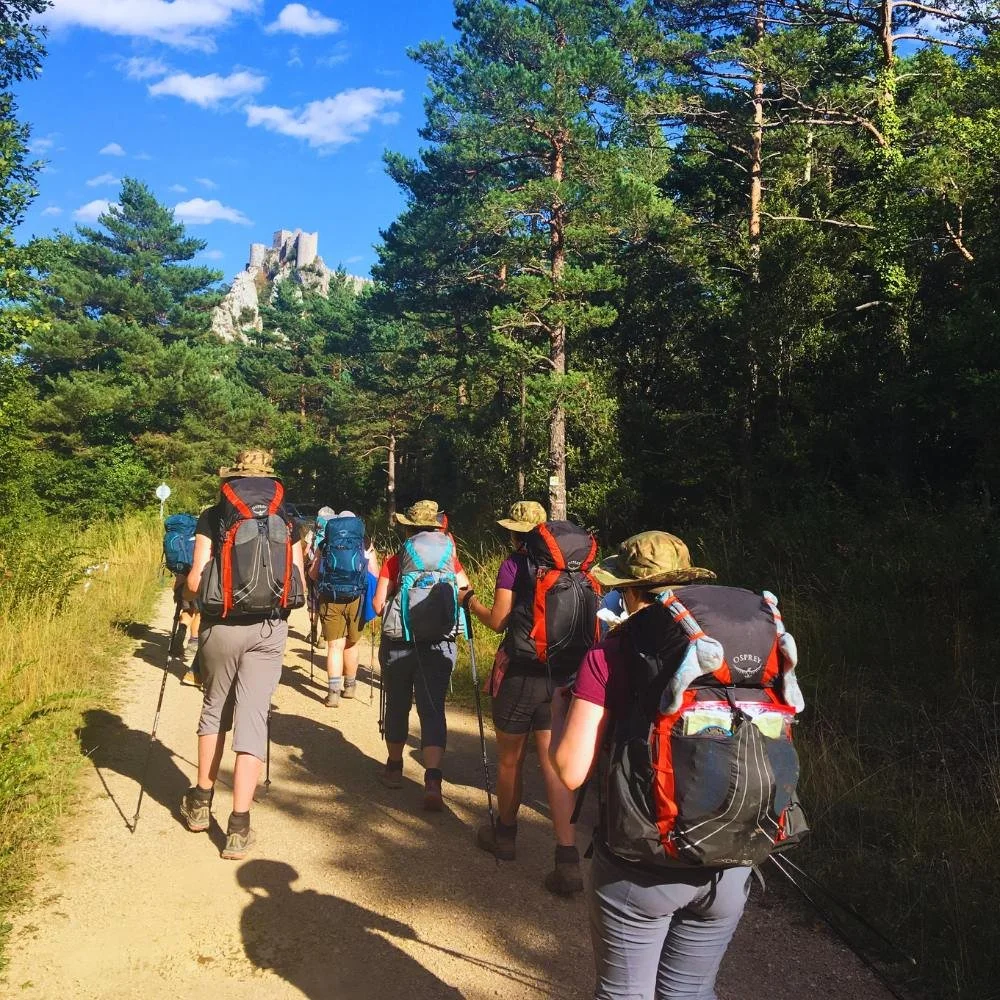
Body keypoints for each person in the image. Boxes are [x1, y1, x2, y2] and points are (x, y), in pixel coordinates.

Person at [551, 530, 794, 1000]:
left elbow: (570, 771)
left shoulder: (607, 655)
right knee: (690, 993)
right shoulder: (740, 655)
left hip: (640, 866)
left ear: (626, 590)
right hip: (730, 861)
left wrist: (562, 710)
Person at [179, 449, 306, 860]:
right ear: (269, 478)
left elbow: (198, 581)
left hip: (222, 626)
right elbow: (297, 580)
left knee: (215, 709)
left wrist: (185, 589)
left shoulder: (214, 515)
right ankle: (238, 827)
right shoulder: (286, 517)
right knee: (254, 716)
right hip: (270, 628)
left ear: (232, 478)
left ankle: (200, 804)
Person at [463, 500, 585, 895]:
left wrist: (469, 603)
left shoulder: (514, 565)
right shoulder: (574, 568)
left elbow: (497, 621)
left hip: (521, 675)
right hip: (563, 677)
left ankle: (505, 835)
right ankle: (567, 859)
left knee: (510, 760)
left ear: (516, 532)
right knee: (554, 766)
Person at [372, 499, 470, 811]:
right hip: (439, 644)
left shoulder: (396, 558)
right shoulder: (450, 558)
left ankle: (394, 767)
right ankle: (432, 780)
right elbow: (465, 589)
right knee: (432, 710)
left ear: (409, 527)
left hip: (400, 642)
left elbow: (376, 606)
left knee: (398, 704)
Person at [308, 510, 380, 707]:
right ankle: (350, 686)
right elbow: (374, 573)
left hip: (330, 597)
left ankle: (332, 693)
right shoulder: (365, 543)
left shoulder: (326, 543)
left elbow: (314, 575)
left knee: (334, 646)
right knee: (352, 643)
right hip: (357, 598)